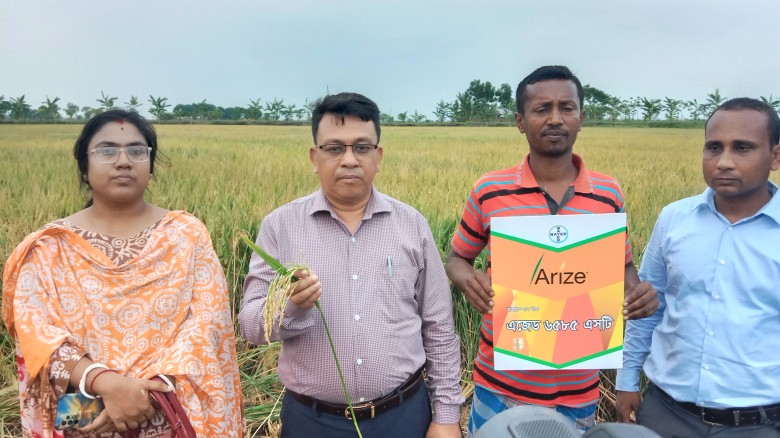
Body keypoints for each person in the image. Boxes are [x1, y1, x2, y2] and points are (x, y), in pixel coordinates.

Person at [2, 109, 243, 437]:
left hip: (166, 406)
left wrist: (147, 393)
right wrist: (105, 382)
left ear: (150, 164)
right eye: (107, 150)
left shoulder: (185, 236)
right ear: (84, 167)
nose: (123, 161)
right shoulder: (50, 247)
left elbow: (207, 322)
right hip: (83, 411)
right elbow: (36, 331)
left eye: (136, 150)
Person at [445, 65, 658, 436]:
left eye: (567, 108)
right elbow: (456, 258)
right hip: (500, 384)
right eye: (542, 109)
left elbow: (622, 266)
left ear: (581, 117)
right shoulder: (490, 191)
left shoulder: (607, 194)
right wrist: (469, 281)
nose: (555, 118)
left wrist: (637, 293)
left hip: (579, 391)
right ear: (520, 121)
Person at [239, 92, 464, 438]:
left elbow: (439, 328)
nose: (349, 160)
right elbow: (250, 326)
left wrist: (446, 417)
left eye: (361, 147)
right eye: (334, 148)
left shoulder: (412, 225)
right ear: (315, 158)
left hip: (403, 415)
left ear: (378, 156)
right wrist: (291, 307)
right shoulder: (280, 227)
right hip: (312, 422)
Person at [616, 98, 780, 437]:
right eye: (714, 147)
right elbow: (648, 306)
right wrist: (627, 380)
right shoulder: (674, 218)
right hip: (666, 414)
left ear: (775, 156)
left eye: (743, 148)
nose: (724, 162)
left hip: (760, 424)